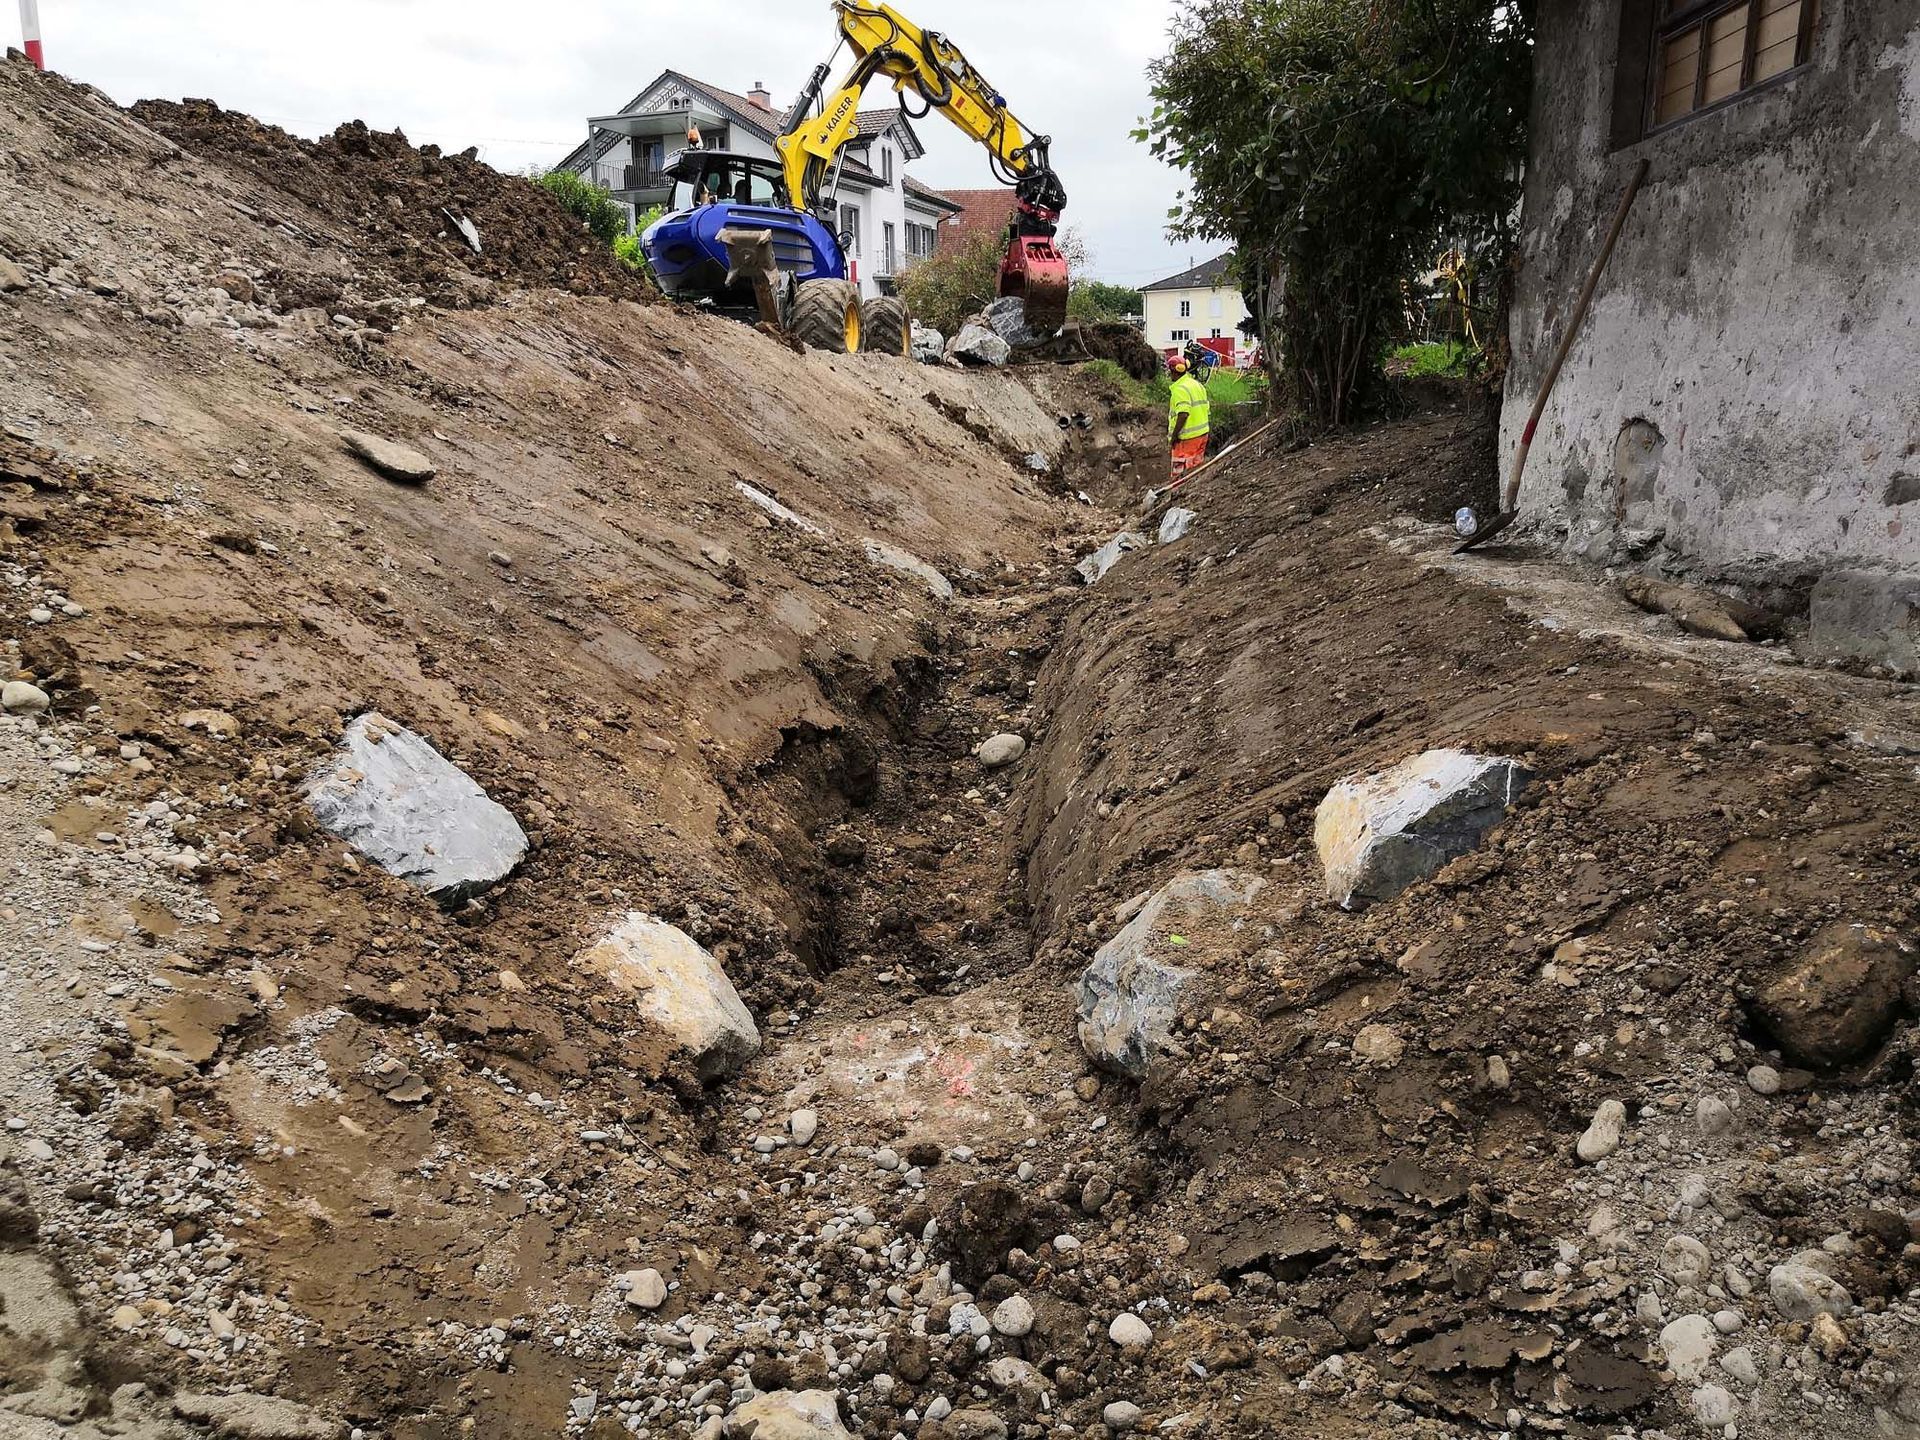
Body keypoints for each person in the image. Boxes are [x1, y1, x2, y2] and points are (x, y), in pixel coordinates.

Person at [1166, 355, 1211, 486]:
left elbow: (1183, 414)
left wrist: (1174, 436)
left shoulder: (1180, 389)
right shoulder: (1197, 385)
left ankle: (1177, 496)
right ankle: (1193, 492)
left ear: (1174, 371)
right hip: (1202, 434)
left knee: (1179, 475)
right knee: (1195, 470)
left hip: (1187, 439)